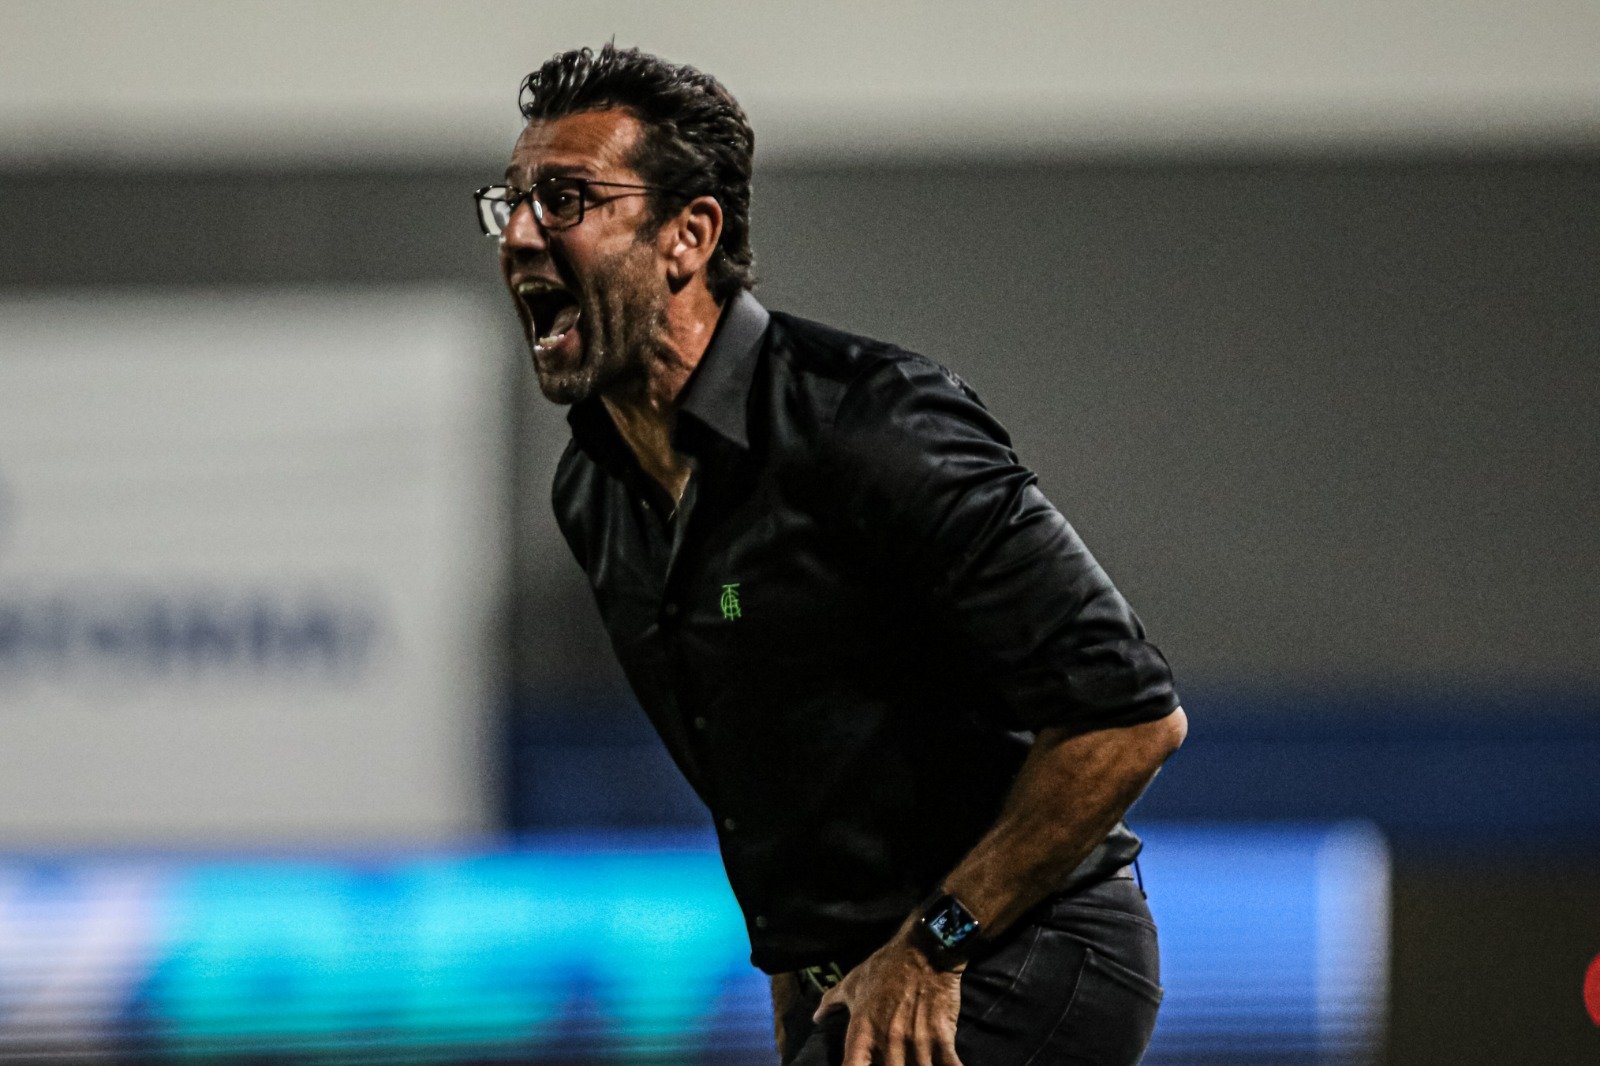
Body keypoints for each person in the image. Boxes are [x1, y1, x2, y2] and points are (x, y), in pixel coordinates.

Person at [476, 43, 1187, 1066]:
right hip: (857, 976)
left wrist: (934, 945)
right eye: (511, 203)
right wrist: (803, 992)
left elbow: (1127, 717)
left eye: (566, 198)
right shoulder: (593, 493)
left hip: (1019, 950)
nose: (523, 235)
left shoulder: (871, 420)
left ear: (688, 235)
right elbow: (774, 794)